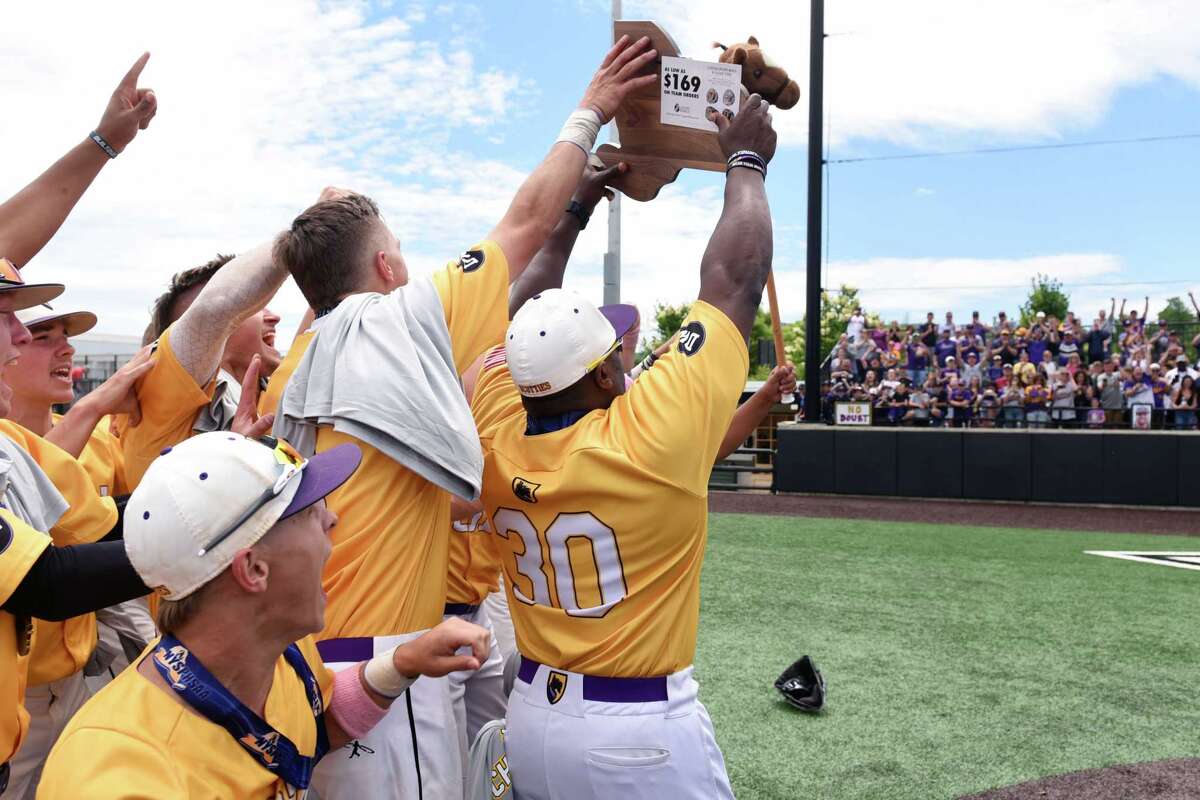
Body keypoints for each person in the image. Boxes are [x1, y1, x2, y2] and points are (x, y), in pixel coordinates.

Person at [268, 37, 660, 799]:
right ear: (386, 269)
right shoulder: (396, 320)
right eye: (399, 251)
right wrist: (592, 110)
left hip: (309, 654)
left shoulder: (300, 361)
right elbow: (524, 223)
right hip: (385, 660)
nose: (408, 264)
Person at [466, 95, 777, 800]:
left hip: (530, 717)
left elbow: (516, 316)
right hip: (635, 731)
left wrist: (577, 206)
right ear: (605, 374)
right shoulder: (645, 434)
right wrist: (747, 159)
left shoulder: (495, 426)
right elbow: (734, 281)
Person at [37, 432, 491, 799]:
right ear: (253, 569)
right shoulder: (120, 774)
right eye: (309, 511)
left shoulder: (277, 652)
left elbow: (311, 729)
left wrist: (402, 664)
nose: (331, 520)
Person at [2, 306, 159, 796]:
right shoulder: (40, 438)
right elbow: (49, 579)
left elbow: (107, 525)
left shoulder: (93, 447)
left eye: (64, 336)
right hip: (21, 690)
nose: (65, 349)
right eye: (42, 336)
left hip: (74, 677)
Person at [121, 251, 284, 490]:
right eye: (256, 306)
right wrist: (298, 241)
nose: (274, 317)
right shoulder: (165, 400)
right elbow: (213, 308)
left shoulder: (273, 389)